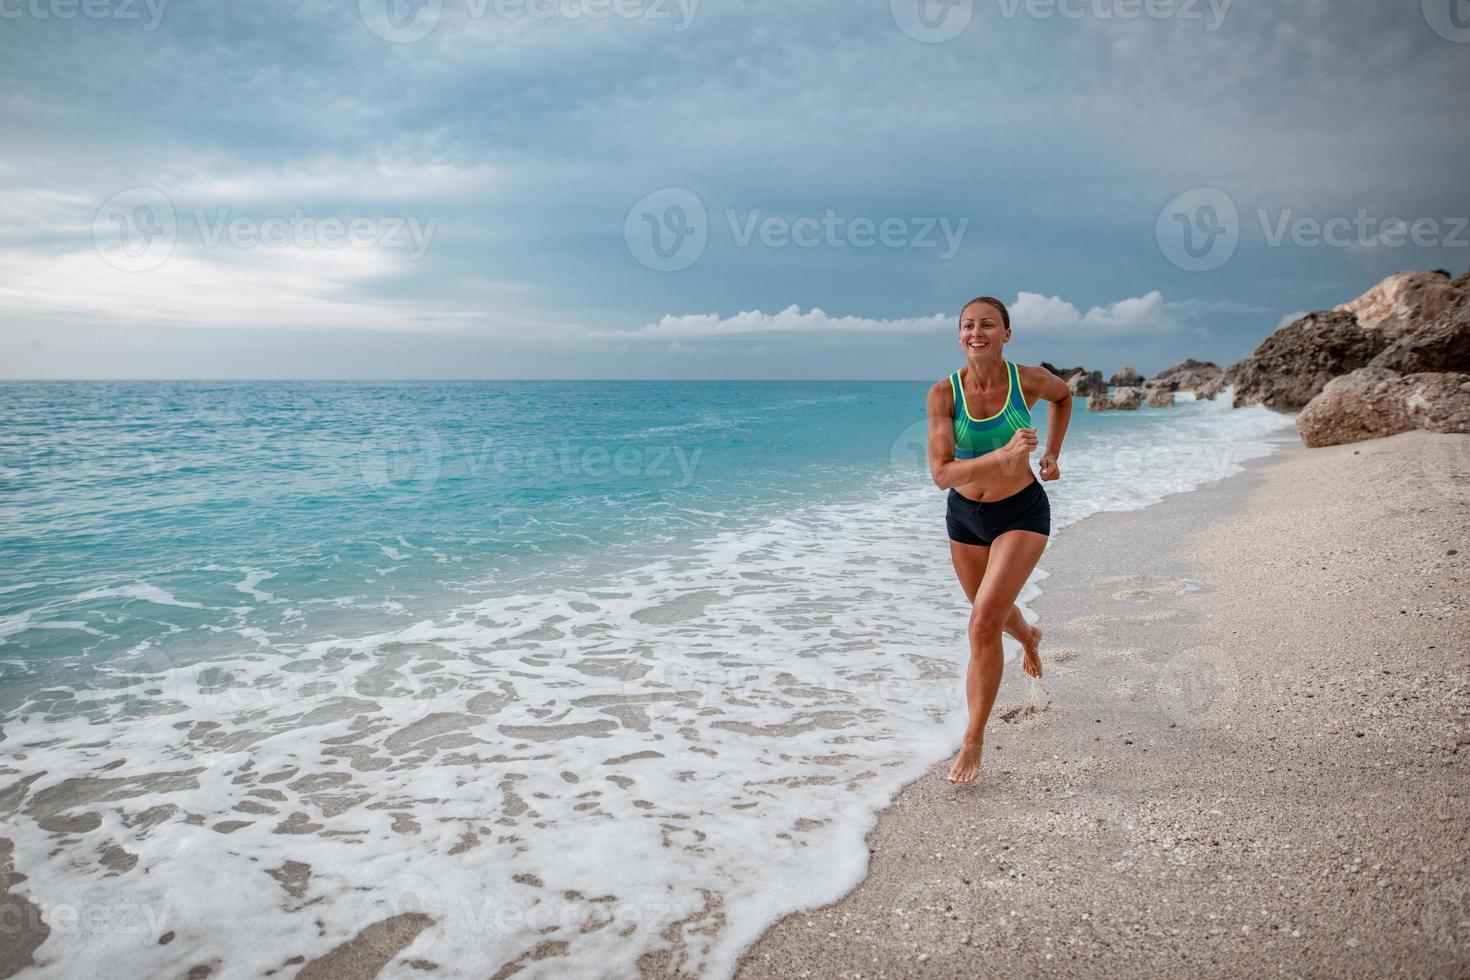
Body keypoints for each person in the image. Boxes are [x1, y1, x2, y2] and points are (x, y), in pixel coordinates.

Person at [925, 296, 1073, 784]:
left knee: (982, 622)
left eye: (988, 324)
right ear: (959, 335)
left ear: (1006, 334)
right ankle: (1030, 636)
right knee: (991, 612)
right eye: (968, 325)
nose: (976, 332)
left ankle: (973, 740)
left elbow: (1065, 394)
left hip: (1021, 512)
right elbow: (942, 474)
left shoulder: (1025, 381)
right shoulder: (943, 395)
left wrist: (1050, 453)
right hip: (964, 517)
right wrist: (1006, 452)